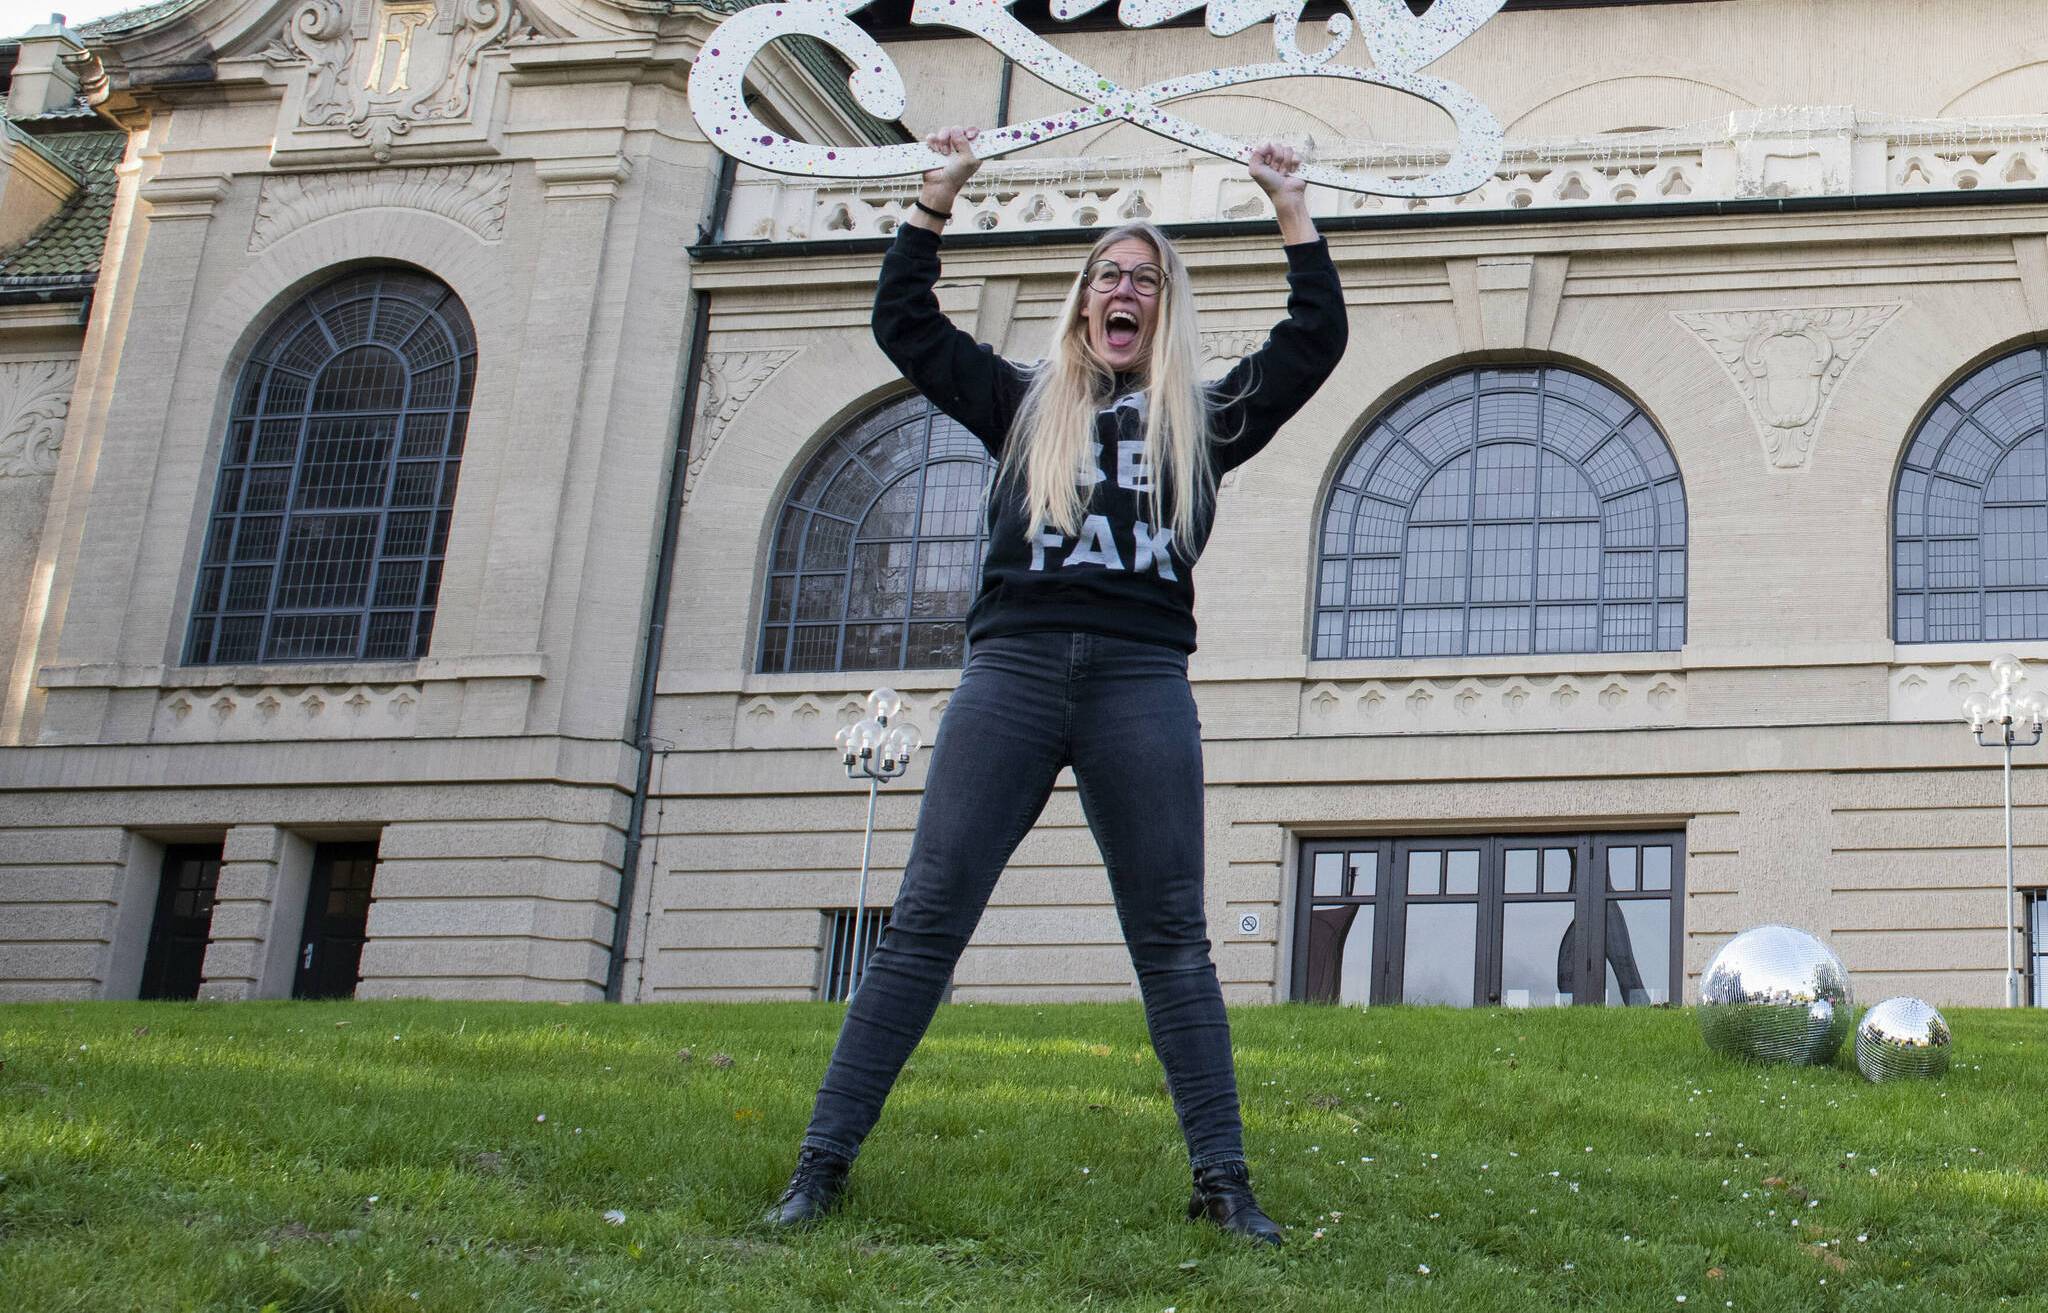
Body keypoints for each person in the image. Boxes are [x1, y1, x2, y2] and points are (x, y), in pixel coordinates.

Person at [766, 125, 1347, 1246]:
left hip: (1139, 680)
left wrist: (1289, 206)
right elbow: (905, 325)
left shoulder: (1202, 418)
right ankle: (819, 1165)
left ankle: (1222, 1182)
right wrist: (936, 196)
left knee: (1172, 935)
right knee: (926, 918)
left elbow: (1312, 340)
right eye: (1106, 275)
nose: (1122, 290)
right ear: (1082, 300)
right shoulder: (1021, 402)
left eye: (1143, 278)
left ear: (1161, 308)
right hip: (1013, 672)